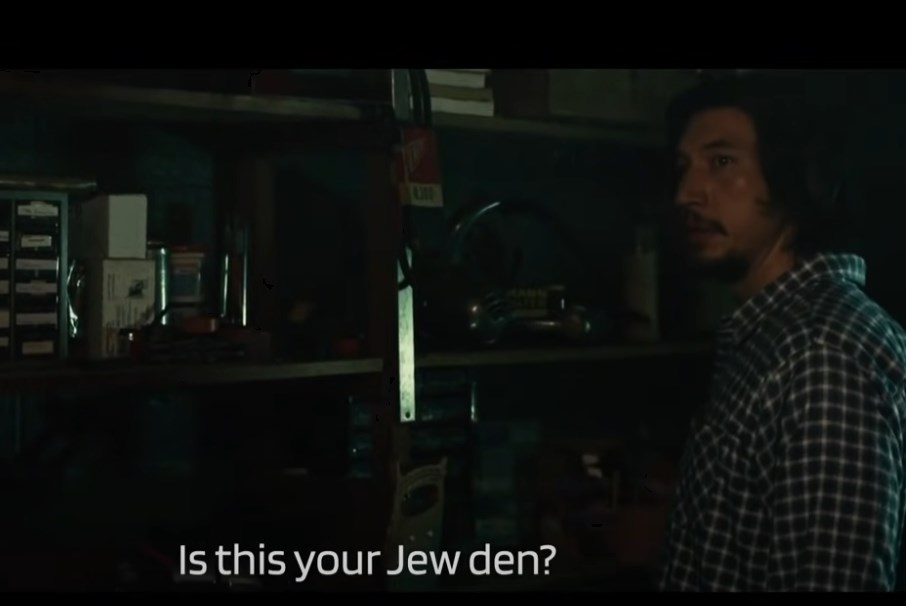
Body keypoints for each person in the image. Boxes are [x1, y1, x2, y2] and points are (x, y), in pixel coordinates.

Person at [657, 73, 906, 591]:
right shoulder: (776, 336)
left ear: (793, 179)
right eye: (683, 168)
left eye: (721, 162)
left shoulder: (823, 355)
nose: (686, 194)